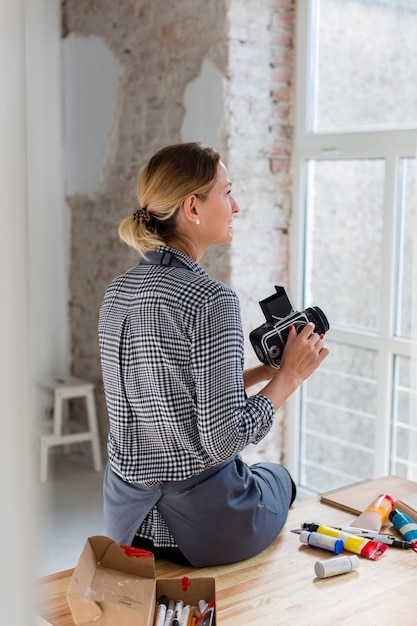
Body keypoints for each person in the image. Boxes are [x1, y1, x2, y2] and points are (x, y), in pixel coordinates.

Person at [98, 142, 329, 567]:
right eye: (227, 192)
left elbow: (164, 392)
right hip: (200, 531)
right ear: (192, 207)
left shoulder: (118, 292)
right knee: (279, 478)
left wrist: (263, 372)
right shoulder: (210, 299)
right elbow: (221, 441)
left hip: (126, 523)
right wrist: (288, 379)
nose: (235, 206)